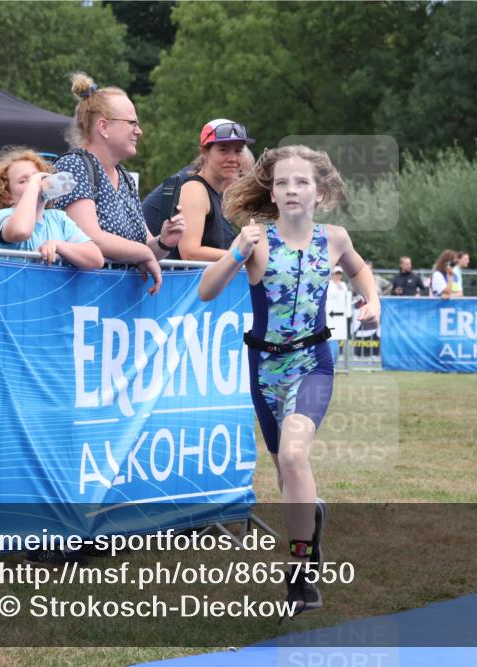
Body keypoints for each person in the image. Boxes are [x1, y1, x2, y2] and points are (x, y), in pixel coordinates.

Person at [198, 145, 380, 616]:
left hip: (313, 362)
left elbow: (360, 272)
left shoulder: (335, 239)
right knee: (286, 472)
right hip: (264, 371)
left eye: (301, 182)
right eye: (282, 182)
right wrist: (235, 253)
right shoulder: (255, 240)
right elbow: (206, 290)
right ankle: (310, 520)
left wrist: (372, 301)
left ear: (319, 193)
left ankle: (301, 571)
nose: (291, 189)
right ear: (272, 193)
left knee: (296, 455)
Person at [52, 72, 184, 294]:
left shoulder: (124, 177)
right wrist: (144, 253)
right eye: (132, 123)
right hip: (78, 302)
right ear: (103, 127)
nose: (139, 131)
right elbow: (90, 238)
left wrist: (165, 241)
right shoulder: (73, 166)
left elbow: (145, 247)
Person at [0, 148, 104, 269]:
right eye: (23, 181)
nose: (35, 183)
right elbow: (22, 231)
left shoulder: (58, 218)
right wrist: (34, 183)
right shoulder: (2, 216)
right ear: (7, 196)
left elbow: (96, 259)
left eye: (36, 176)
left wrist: (57, 245)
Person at [174, 119, 255, 261]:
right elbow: (190, 253)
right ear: (204, 151)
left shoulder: (214, 193)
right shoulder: (195, 190)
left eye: (238, 150)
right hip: (191, 282)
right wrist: (244, 255)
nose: (232, 158)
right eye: (223, 150)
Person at [143, 146, 254, 239]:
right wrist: (242, 255)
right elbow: (190, 253)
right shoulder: (192, 187)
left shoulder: (194, 181)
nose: (244, 185)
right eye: (242, 176)